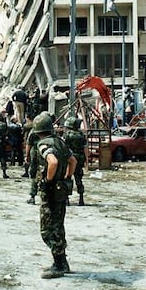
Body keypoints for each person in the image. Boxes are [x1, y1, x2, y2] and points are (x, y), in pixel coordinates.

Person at [34, 112, 76, 279]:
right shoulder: (61, 142)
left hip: (51, 191)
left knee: (47, 229)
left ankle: (59, 264)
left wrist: (48, 180)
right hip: (62, 189)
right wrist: (66, 176)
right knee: (59, 224)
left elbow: (53, 161)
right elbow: (73, 161)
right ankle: (61, 261)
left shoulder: (43, 144)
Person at [63, 117, 87, 206]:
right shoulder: (81, 135)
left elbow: (64, 147)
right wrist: (86, 160)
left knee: (67, 178)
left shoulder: (67, 135)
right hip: (80, 159)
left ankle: (67, 199)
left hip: (70, 158)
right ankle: (81, 198)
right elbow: (85, 148)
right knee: (79, 178)